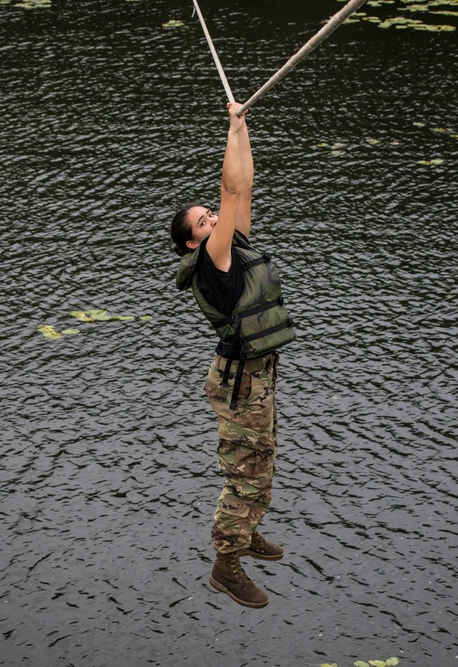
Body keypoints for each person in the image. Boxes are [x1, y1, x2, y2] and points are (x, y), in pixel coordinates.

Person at [171, 101, 295, 609]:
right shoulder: (211, 259)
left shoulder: (230, 241)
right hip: (239, 381)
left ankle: (246, 534)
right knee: (245, 471)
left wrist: (238, 129)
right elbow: (231, 188)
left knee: (262, 459)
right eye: (204, 220)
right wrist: (229, 134)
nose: (215, 217)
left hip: (256, 374)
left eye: (210, 215)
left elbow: (244, 186)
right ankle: (226, 562)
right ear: (191, 244)